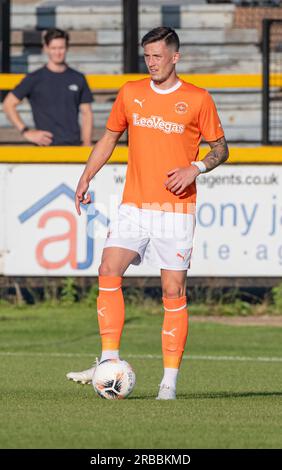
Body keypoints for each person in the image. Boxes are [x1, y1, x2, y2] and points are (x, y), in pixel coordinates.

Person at [67, 27, 229, 399]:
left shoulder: (198, 99)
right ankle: (109, 362)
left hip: (176, 210)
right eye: (147, 56)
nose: (151, 63)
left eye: (158, 56)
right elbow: (108, 137)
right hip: (134, 205)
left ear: (175, 57)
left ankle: (168, 384)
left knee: (172, 291)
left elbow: (221, 149)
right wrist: (85, 177)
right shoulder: (131, 92)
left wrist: (196, 168)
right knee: (108, 270)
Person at [3, 28, 93, 146]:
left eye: (61, 48)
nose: (58, 52)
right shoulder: (34, 78)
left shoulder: (78, 78)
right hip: (45, 150)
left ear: (67, 48)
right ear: (46, 48)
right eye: (53, 48)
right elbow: (8, 104)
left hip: (73, 148)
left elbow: (87, 113)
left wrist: (86, 144)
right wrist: (26, 132)